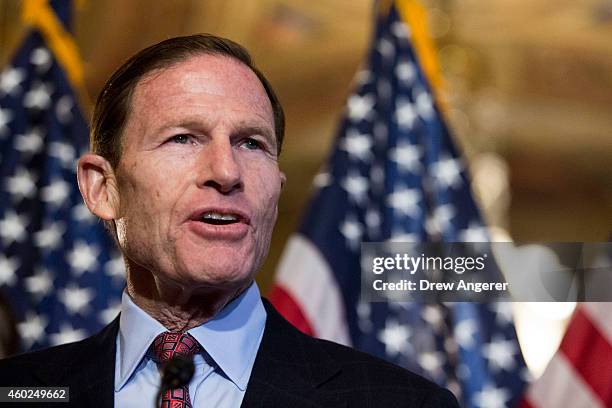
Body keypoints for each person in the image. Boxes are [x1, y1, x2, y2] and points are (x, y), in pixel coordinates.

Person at [0, 34, 458, 408]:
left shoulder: (401, 402)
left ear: (275, 190)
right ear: (103, 188)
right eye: (183, 138)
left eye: (251, 143)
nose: (225, 172)